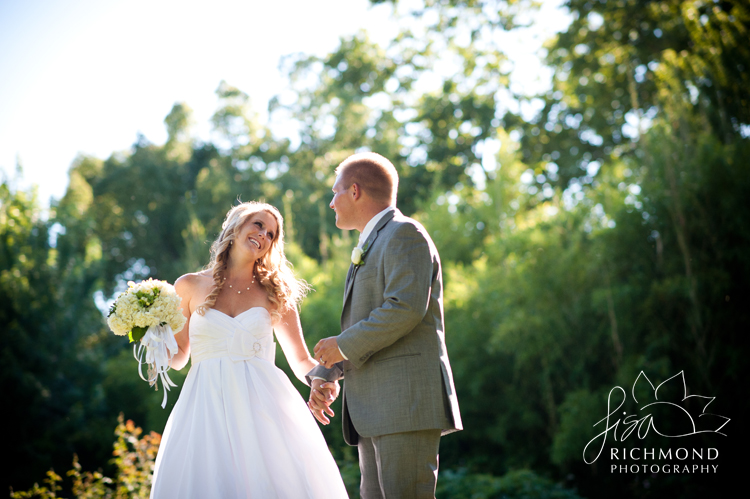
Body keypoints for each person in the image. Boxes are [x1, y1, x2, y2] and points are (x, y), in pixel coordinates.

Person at [150, 201, 348, 498]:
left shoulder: (276, 294)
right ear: (236, 226)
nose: (264, 235)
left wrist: (324, 379)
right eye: (258, 224)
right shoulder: (189, 285)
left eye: (271, 234)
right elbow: (179, 356)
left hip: (263, 404)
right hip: (206, 403)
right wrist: (152, 341)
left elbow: (300, 360)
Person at [307, 152, 462, 498]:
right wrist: (327, 372)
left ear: (356, 191)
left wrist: (342, 346)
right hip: (373, 408)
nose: (332, 202)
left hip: (404, 404)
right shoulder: (374, 241)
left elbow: (404, 309)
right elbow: (369, 324)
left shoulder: (404, 234)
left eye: (336, 192)